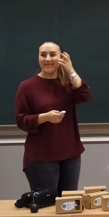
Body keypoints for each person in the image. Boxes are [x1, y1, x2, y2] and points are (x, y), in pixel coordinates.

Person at [15, 41, 92, 194]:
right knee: (47, 207)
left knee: (69, 204)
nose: (47, 59)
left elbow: (85, 95)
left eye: (52, 55)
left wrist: (70, 70)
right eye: (43, 55)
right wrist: (45, 117)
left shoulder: (67, 83)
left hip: (70, 154)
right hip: (41, 157)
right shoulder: (27, 86)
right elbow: (21, 120)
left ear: (61, 57)